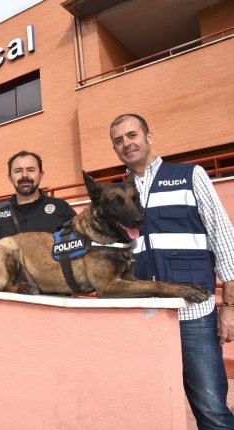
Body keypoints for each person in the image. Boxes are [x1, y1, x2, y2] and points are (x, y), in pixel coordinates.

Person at [110, 113, 234, 429]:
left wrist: (230, 307)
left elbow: (222, 235)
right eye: (118, 140)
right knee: (150, 405)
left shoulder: (189, 175)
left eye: (132, 135)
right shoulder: (117, 193)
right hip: (145, 315)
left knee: (210, 408)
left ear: (149, 136)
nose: (126, 143)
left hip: (194, 313)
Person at [0, 150, 77, 287]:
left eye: (30, 170)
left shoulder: (61, 209)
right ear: (10, 177)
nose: (25, 175)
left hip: (57, 299)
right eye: (18, 171)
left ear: (41, 175)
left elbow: (81, 249)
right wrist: (1, 289)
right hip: (12, 301)